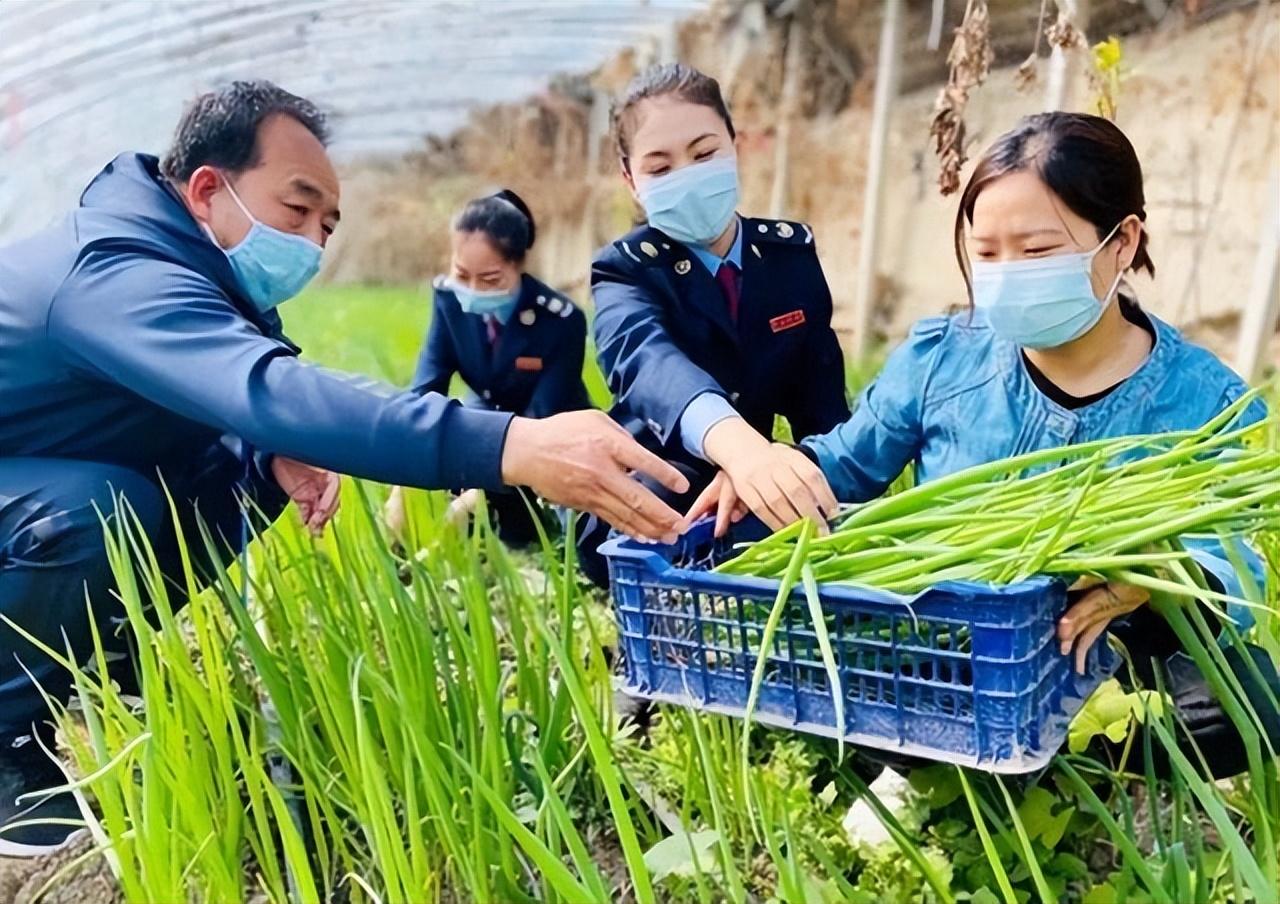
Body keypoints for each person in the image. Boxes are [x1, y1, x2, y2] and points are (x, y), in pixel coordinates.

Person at [0, 80, 688, 856]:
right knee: (91, 505)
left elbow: (256, 396)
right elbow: (268, 388)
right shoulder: (114, 269)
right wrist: (515, 448)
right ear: (205, 189)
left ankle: (96, 646)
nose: (312, 244)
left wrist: (271, 445)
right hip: (31, 488)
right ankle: (3, 750)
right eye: (296, 211)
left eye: (326, 227)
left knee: (250, 464)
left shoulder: (199, 272)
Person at [691, 112, 1279, 778]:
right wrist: (776, 469)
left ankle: (1080, 773)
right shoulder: (947, 358)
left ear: (1122, 242)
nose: (1005, 274)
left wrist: (1156, 575)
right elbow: (848, 462)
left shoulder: (1204, 400)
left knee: (1248, 710)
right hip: (950, 640)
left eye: (1036, 252)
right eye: (988, 253)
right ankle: (955, 764)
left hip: (1099, 648)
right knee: (857, 670)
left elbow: (1232, 551)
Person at [577, 63, 850, 585]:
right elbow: (647, 362)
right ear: (631, 181)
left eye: (704, 155)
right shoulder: (625, 270)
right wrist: (742, 450)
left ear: (736, 146)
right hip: (655, 488)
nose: (687, 176)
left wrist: (797, 466)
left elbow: (822, 405)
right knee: (663, 544)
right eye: (660, 168)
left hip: (751, 483)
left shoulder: (788, 256)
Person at [384, 190, 591, 546]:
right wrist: (413, 448)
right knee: (408, 486)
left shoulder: (560, 320)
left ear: (518, 266)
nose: (472, 289)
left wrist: (479, 467)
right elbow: (428, 384)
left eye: (490, 279)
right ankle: (398, 557)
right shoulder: (449, 299)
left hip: (549, 442)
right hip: (483, 418)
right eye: (462, 274)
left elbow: (544, 417)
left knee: (534, 532)